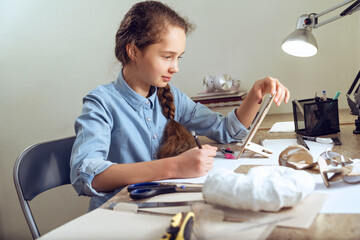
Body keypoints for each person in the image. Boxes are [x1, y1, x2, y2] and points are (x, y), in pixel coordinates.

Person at [70, 0, 290, 211]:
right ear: (134, 51)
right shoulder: (101, 102)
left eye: (179, 58)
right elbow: (87, 175)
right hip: (117, 216)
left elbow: (226, 131)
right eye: (167, 57)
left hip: (161, 208)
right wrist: (174, 167)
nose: (175, 68)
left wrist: (254, 94)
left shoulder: (172, 96)